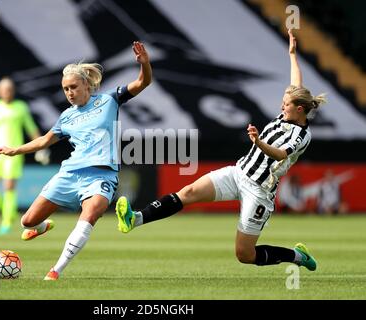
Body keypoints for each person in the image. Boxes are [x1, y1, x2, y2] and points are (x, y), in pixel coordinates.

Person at [115, 30, 326, 271]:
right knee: (189, 191)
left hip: (259, 190)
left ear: (299, 109)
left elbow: (280, 155)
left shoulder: (301, 135)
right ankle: (135, 219)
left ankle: (297, 256)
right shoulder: (290, 110)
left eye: (286, 104)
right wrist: (292, 54)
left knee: (244, 254)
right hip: (238, 173)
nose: (281, 106)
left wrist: (258, 142)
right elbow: (296, 81)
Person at [0, 41, 152, 280]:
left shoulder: (109, 100)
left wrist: (145, 65)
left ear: (87, 85)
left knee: (90, 215)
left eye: (73, 87)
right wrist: (15, 150)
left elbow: (143, 82)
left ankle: (55, 270)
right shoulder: (67, 117)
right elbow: (44, 141)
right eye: (65, 89)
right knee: (27, 221)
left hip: (102, 175)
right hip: (70, 174)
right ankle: (41, 227)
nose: (69, 92)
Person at [0, 77, 49, 235]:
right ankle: (8, 212)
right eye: (3, 89)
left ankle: (6, 221)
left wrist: (41, 148)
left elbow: (31, 128)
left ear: (13, 91)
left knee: (9, 187)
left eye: (9, 89)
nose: (6, 92)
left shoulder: (20, 107)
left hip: (13, 153)